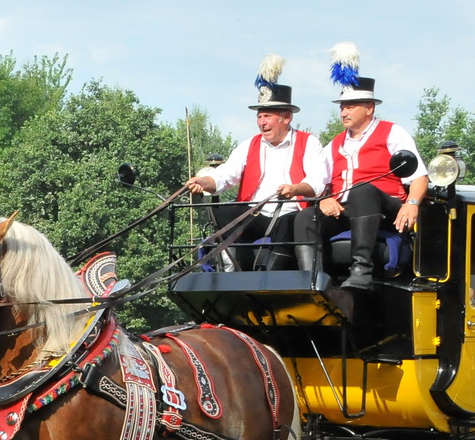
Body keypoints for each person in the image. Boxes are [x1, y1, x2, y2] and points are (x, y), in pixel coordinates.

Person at [291, 44, 429, 289]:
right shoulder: (334, 144)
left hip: (386, 209)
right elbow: (318, 181)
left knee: (362, 190)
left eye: (351, 106)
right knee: (305, 217)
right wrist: (323, 199)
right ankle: (312, 282)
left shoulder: (392, 132)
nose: (344, 111)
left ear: (369, 107)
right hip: (347, 210)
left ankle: (361, 271)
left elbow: (419, 175)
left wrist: (412, 203)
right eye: (342, 106)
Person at [184, 54, 329, 270]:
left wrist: (295, 188)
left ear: (286, 117)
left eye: (267, 116)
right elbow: (226, 174)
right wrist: (204, 181)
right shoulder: (249, 145)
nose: (262, 122)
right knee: (224, 213)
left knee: (290, 222)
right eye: (259, 117)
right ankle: (229, 273)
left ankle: (268, 277)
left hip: (290, 213)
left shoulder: (309, 143)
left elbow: (318, 182)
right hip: (255, 214)